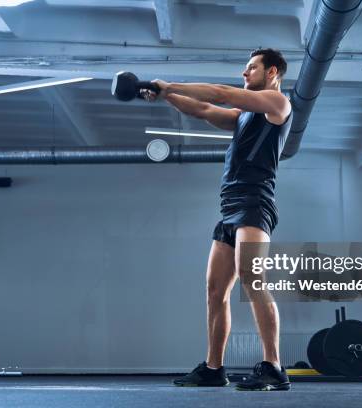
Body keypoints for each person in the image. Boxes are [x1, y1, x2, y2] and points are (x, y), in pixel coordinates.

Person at [142, 48, 292, 391]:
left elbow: (219, 93)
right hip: (229, 207)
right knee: (214, 290)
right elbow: (204, 108)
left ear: (272, 73)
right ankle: (213, 368)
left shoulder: (277, 105)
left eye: (251, 67)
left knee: (253, 280)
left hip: (255, 203)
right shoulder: (243, 115)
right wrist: (168, 96)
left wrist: (169, 85)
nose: (244, 73)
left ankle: (273, 367)